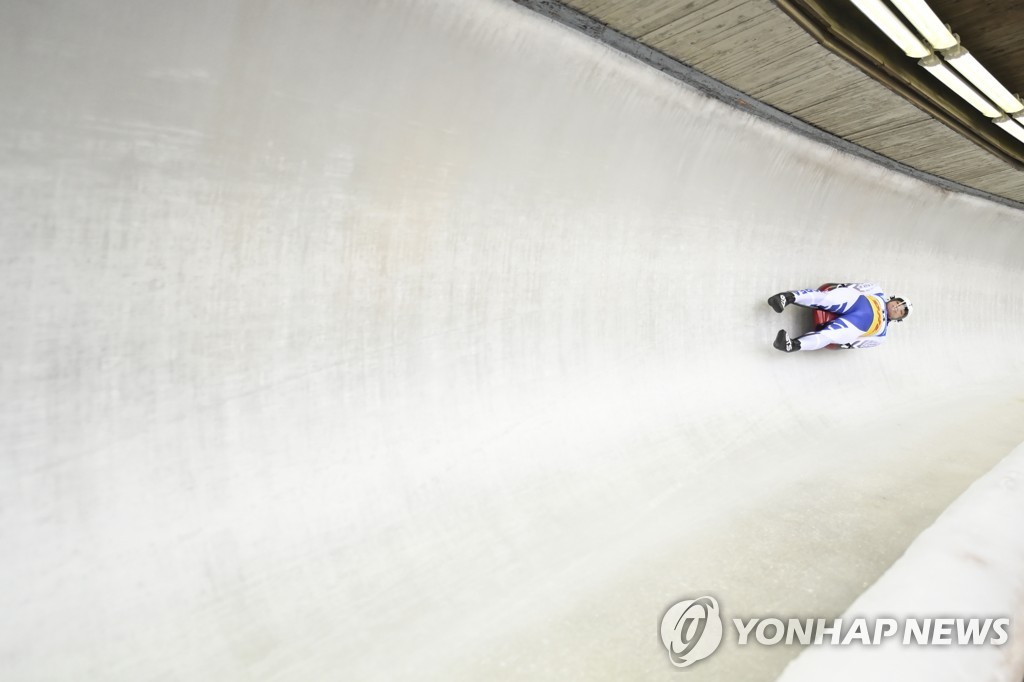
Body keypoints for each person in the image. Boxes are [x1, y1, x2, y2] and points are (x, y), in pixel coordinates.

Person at [767, 283, 912, 352]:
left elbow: (856, 343)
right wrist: (835, 289)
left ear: (898, 319)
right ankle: (786, 298)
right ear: (894, 299)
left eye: (900, 311)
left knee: (831, 335)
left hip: (856, 326)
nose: (896, 308)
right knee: (828, 299)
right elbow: (853, 287)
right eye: (898, 303)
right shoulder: (877, 291)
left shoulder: (881, 336)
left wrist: (839, 343)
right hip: (854, 302)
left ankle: (793, 345)